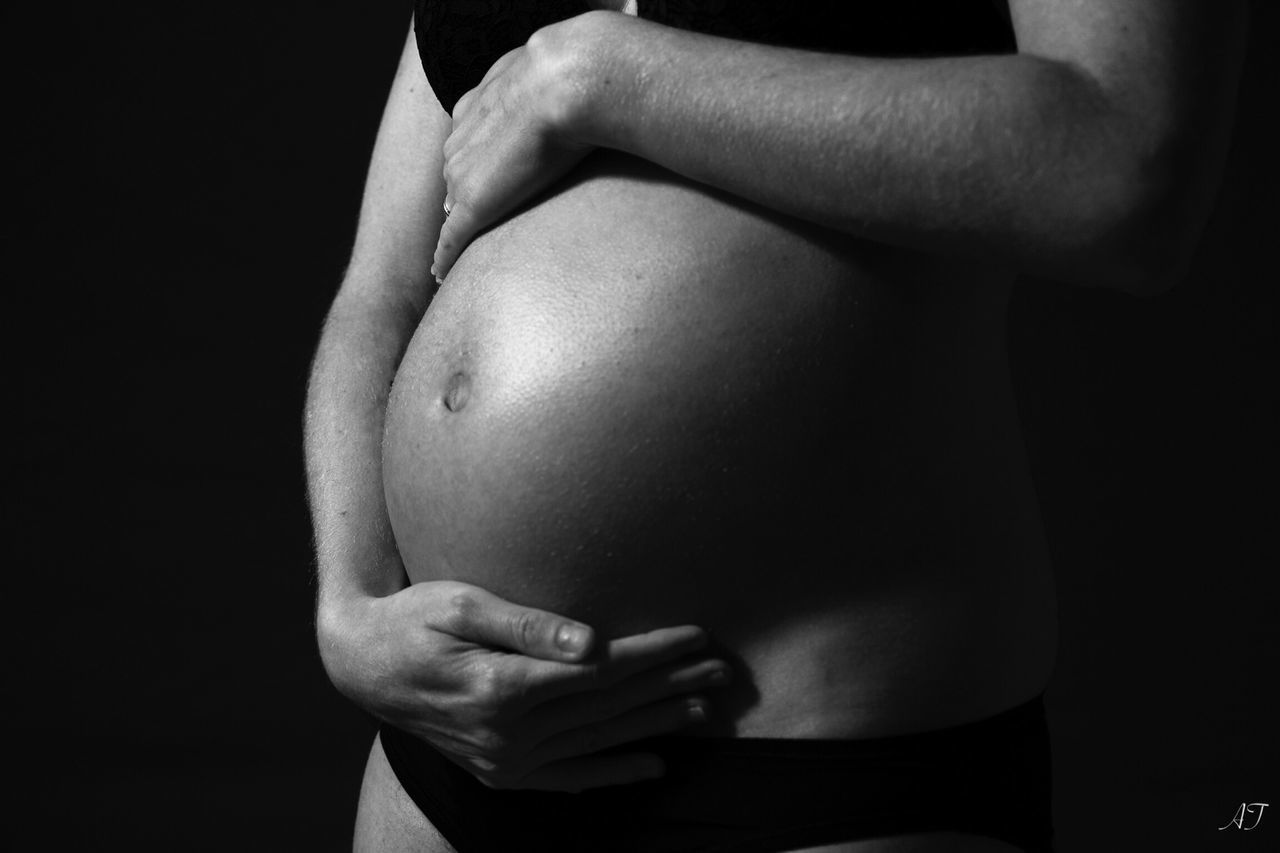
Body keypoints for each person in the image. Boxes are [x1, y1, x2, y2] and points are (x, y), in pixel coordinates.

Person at [304, 1, 1247, 850]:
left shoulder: (590, 68)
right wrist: (351, 612)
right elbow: (379, 295)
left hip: (819, 760)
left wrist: (606, 78)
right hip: (457, 747)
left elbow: (1124, 166)